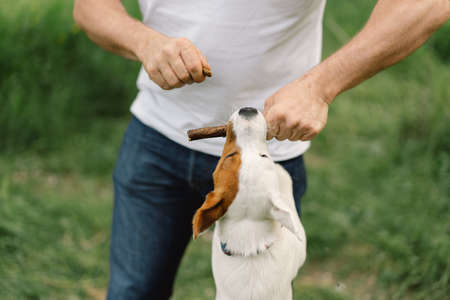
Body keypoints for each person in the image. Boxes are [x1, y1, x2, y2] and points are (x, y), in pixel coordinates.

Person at [73, 0, 449, 299]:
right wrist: (145, 42)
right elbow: (90, 7)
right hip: (154, 139)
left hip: (265, 162)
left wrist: (320, 87)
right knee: (133, 292)